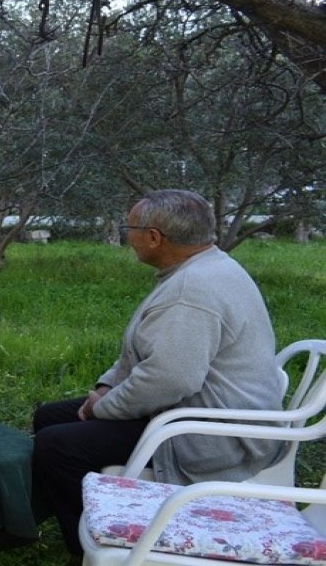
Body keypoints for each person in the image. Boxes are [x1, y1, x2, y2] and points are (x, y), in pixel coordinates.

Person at [31, 189, 284, 554]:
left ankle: (101, 548)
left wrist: (101, 408)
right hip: (191, 410)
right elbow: (145, 353)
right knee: (49, 417)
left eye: (128, 227)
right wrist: (106, 388)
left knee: (58, 447)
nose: (126, 236)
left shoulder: (192, 289)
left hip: (210, 434)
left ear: (153, 237)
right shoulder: (207, 266)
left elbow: (170, 380)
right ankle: (56, 515)